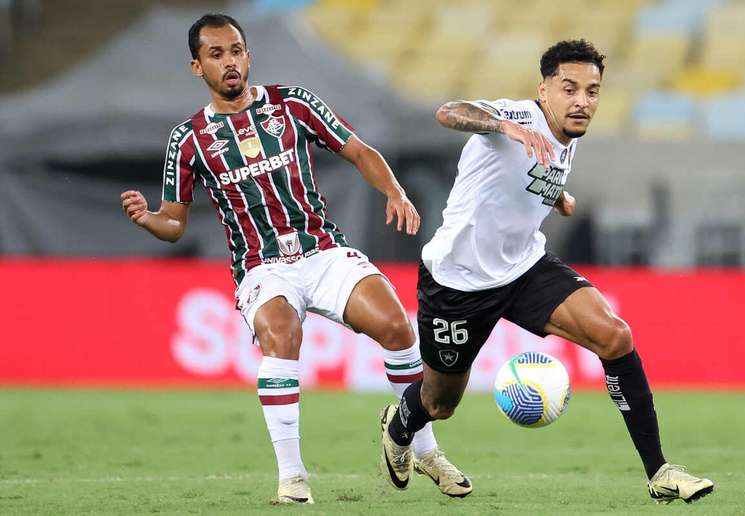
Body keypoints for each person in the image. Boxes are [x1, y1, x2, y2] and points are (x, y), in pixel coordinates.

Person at [121, 13, 470, 504]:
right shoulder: (190, 139)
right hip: (262, 267)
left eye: (236, 50)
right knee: (282, 336)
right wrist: (148, 218)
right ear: (196, 67)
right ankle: (293, 479)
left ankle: (423, 447)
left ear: (247, 53)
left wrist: (394, 191)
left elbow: (358, 150)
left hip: (322, 251)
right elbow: (175, 223)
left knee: (396, 325)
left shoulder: (291, 104)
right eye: (216, 55)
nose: (230, 62)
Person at [379, 39, 714, 505]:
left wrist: (558, 196)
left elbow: (527, 175)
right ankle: (399, 426)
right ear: (544, 90)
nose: (582, 101)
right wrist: (504, 127)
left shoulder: (567, 136)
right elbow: (448, 112)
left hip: (524, 268)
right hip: (459, 281)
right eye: (569, 88)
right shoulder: (517, 117)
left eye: (592, 91)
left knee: (614, 336)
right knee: (439, 403)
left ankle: (659, 472)